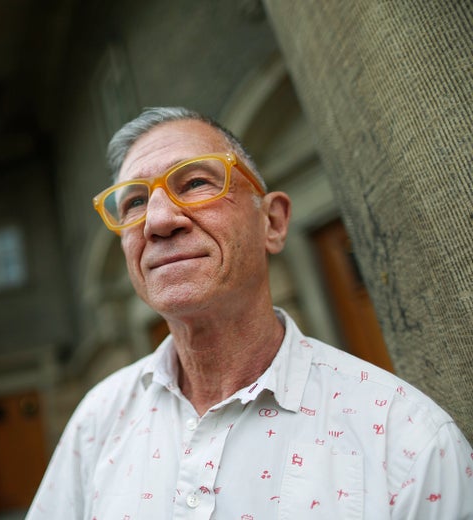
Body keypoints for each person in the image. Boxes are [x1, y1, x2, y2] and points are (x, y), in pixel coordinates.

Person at [26, 107, 473, 519]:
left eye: (197, 183)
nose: (159, 220)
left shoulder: (408, 439)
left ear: (273, 222)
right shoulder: (98, 419)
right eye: (135, 202)